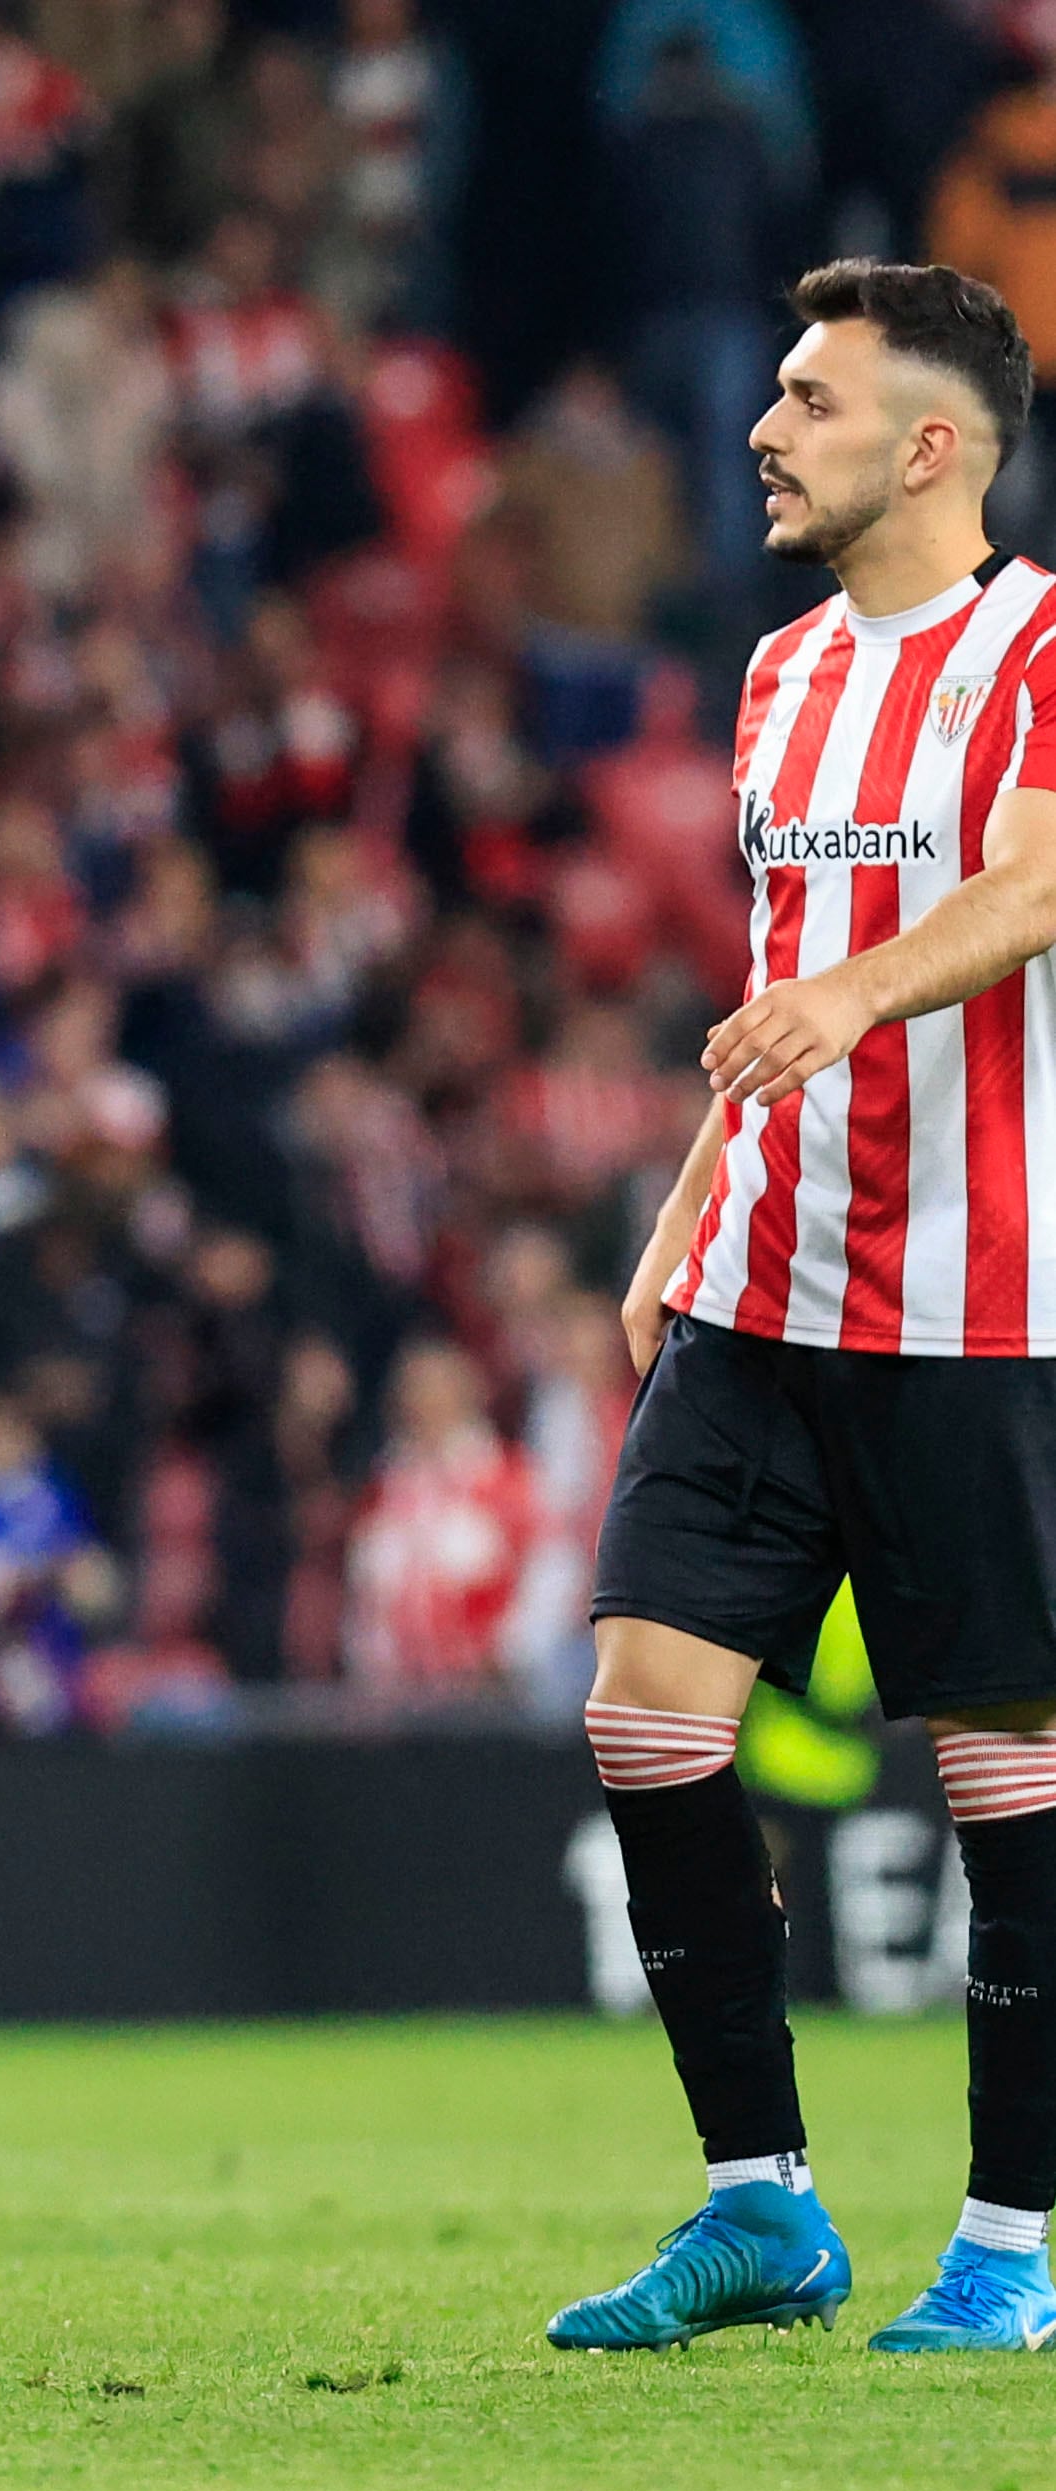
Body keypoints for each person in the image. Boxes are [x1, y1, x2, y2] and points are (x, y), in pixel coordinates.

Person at [556, 258, 1056, 2356]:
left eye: (808, 398)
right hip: (762, 1287)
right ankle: (758, 2203)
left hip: (975, 1308)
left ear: (927, 446)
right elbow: (775, 965)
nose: (763, 426)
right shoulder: (772, 675)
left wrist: (854, 990)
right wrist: (683, 1199)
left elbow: (1034, 882)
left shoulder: (1033, 641)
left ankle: (1014, 2250)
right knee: (644, 1716)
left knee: (1001, 1782)